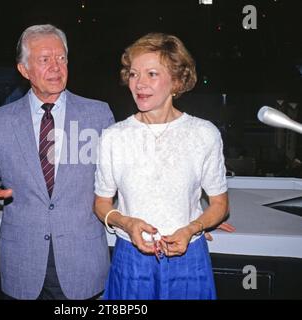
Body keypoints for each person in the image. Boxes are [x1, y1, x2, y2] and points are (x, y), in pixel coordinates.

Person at [0, 24, 115, 300]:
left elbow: (126, 178)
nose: (56, 67)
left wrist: (186, 217)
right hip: (22, 268)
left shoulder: (98, 114)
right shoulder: (1, 121)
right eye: (44, 59)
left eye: (61, 58)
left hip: (84, 266)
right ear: (23, 70)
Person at [94, 33, 230, 299]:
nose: (139, 84)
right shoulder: (113, 136)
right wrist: (127, 223)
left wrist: (193, 228)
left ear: (177, 82)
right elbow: (101, 204)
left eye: (152, 74)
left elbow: (220, 205)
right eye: (133, 74)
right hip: (130, 259)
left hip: (189, 259)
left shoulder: (204, 133)